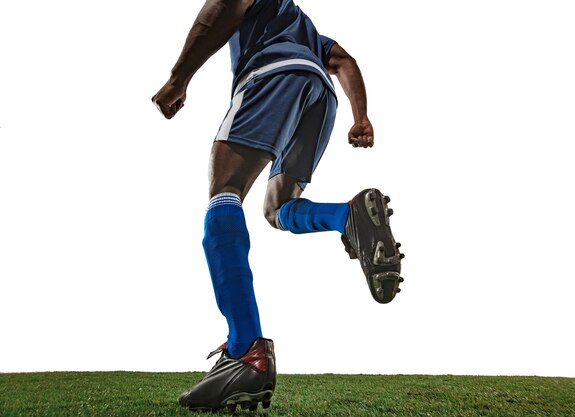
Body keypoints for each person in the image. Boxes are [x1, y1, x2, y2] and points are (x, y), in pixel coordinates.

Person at [152, 0, 404, 412]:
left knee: (225, 189)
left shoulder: (274, 15)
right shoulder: (302, 27)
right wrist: (362, 117)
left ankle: (245, 348)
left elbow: (227, 4)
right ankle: (348, 215)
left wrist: (178, 78)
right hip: (319, 94)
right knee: (278, 208)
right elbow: (343, 60)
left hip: (273, 75)